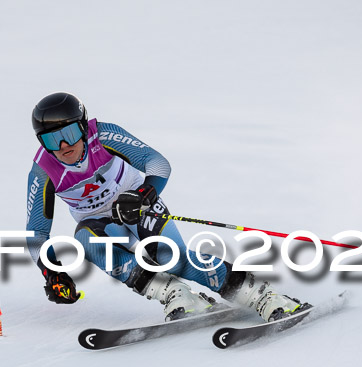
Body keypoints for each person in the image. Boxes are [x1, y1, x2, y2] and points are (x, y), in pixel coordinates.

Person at [25, 92, 309, 322]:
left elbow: (158, 164)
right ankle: (176, 294)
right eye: (52, 139)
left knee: (169, 257)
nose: (63, 145)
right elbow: (36, 233)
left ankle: (261, 295)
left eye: (71, 133)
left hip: (137, 204)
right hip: (101, 222)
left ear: (83, 126)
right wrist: (52, 272)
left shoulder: (105, 136)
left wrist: (142, 195)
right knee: (85, 240)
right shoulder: (44, 171)